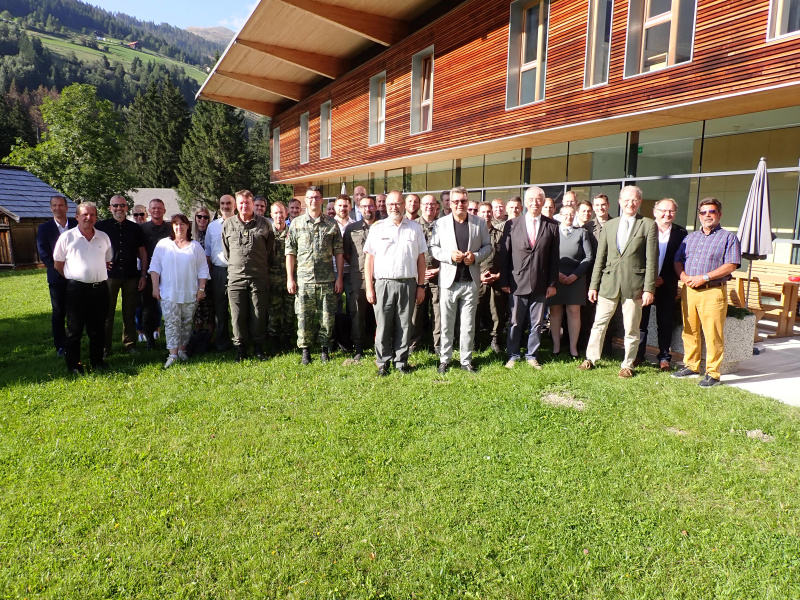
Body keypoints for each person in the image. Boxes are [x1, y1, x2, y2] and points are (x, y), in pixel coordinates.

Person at [578, 185, 658, 378]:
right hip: (609, 284)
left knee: (631, 327)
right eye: (626, 200)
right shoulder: (610, 225)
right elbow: (600, 258)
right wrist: (593, 285)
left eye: (634, 200)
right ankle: (591, 358)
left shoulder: (648, 224)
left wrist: (649, 289)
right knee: (599, 323)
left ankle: (627, 364)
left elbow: (651, 260)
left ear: (639, 202)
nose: (630, 203)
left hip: (634, 286)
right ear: (620, 202)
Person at [673, 197, 741, 387]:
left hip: (712, 291)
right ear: (699, 215)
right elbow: (677, 260)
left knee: (713, 333)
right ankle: (691, 365)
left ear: (719, 214)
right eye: (703, 212)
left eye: (711, 212)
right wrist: (684, 276)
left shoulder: (728, 237)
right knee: (689, 330)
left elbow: (731, 265)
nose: (707, 215)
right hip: (689, 290)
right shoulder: (690, 237)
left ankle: (713, 373)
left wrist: (705, 277)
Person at [364, 190, 428, 375]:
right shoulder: (377, 228)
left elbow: (421, 260)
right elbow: (369, 260)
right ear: (386, 205)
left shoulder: (415, 228)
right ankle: (382, 362)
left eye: (398, 203)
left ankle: (401, 362)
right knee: (382, 324)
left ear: (404, 205)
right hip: (383, 284)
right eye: (391, 204)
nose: (394, 207)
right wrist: (369, 287)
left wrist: (420, 285)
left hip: (408, 283)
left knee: (405, 325)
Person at [431, 186, 492, 373]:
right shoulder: (440, 223)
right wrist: (450, 256)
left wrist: (475, 256)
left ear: (467, 201)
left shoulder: (479, 223)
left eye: (463, 201)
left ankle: (466, 361)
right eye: (455, 201)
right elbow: (434, 248)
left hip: (471, 281)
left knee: (468, 325)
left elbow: (488, 247)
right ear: (449, 203)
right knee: (446, 323)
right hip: (449, 281)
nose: (459, 204)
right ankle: (445, 359)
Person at [499, 186, 560, 369]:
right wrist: (504, 281)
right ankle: (513, 354)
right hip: (516, 282)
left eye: (538, 199)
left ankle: (532, 355)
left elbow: (554, 257)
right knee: (515, 321)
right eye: (531, 199)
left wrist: (552, 283)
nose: (535, 203)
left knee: (537, 323)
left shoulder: (552, 225)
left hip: (541, 284)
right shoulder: (512, 224)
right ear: (526, 203)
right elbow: (505, 255)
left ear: (543, 202)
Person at [286, 186, 344, 365]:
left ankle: (325, 350)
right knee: (303, 317)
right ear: (306, 201)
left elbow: (339, 252)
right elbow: (290, 252)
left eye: (317, 197)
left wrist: (339, 277)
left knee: (327, 317)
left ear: (322, 200)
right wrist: (290, 278)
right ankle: (305, 351)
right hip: (304, 281)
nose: (313, 200)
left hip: (326, 280)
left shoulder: (332, 224)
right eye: (310, 197)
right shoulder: (296, 224)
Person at [53, 202, 113, 375]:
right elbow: (58, 264)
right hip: (76, 290)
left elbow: (107, 261)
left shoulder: (103, 237)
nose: (89, 218)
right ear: (77, 217)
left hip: (100, 289)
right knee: (74, 330)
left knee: (98, 329)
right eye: (85, 214)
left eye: (92, 215)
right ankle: (74, 365)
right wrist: (76, 278)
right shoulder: (67, 237)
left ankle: (97, 362)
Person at [631, 198, 687, 370]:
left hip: (667, 284)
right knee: (641, 322)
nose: (667, 214)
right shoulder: (643, 227)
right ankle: (638, 355)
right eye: (663, 210)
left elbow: (680, 260)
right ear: (655, 212)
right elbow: (636, 256)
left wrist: (665, 277)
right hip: (644, 284)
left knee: (665, 323)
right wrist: (650, 278)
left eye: (671, 211)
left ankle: (664, 357)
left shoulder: (681, 233)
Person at [149, 214, 209, 368]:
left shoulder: (195, 246)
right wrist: (155, 287)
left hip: (190, 292)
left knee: (186, 323)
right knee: (171, 323)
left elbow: (203, 269)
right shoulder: (163, 244)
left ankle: (182, 351)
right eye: (176, 224)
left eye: (182, 224)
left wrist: (201, 289)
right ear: (172, 226)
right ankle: (173, 354)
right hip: (169, 293)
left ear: (188, 226)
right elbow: (154, 267)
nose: (179, 227)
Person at [222, 189, 275, 362]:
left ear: (253, 204)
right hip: (236, 277)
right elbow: (227, 252)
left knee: (258, 313)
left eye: (248, 202)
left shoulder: (265, 224)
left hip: (258, 276)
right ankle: (240, 350)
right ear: (237, 205)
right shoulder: (228, 224)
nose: (245, 206)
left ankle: (259, 348)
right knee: (237, 315)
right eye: (241, 203)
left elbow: (270, 251)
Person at [96, 195, 147, 357]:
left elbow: (142, 253)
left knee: (129, 312)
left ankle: (130, 344)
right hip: (109, 276)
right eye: (115, 205)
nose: (119, 208)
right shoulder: (101, 227)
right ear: (110, 208)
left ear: (127, 208)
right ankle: (104, 347)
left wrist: (144, 274)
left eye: (122, 205)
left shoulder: (134, 228)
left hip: (131, 275)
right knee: (106, 313)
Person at [546, 205, 594, 358]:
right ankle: (556, 346)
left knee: (574, 312)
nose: (568, 217)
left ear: (575, 215)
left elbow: (588, 257)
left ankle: (573, 348)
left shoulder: (581, 233)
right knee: (555, 311)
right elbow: (546, 255)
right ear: (560, 215)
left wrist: (575, 275)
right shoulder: (552, 231)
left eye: (571, 214)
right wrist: (556, 274)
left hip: (576, 278)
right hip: (556, 277)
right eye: (565, 214)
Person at [36, 195, 77, 356]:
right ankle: (61, 345)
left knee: (76, 311)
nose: (57, 208)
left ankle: (74, 342)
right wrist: (61, 270)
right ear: (51, 207)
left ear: (67, 208)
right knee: (59, 312)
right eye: (54, 205)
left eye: (60, 205)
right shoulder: (44, 228)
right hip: (56, 277)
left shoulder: (75, 225)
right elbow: (44, 254)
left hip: (76, 275)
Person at [343, 194, 378, 361]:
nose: (367, 209)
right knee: (357, 312)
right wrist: (361, 266)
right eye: (364, 206)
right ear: (359, 209)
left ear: (376, 207)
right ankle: (358, 347)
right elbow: (347, 254)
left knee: (382, 313)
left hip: (381, 276)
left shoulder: (383, 226)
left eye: (370, 206)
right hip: (358, 277)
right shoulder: (351, 229)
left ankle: (381, 344)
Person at [411, 194, 442, 352]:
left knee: (438, 312)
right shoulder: (412, 225)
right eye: (426, 204)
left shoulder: (443, 226)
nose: (429, 207)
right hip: (418, 277)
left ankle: (438, 346)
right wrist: (420, 272)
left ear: (437, 207)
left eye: (432, 204)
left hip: (439, 276)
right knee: (416, 312)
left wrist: (438, 270)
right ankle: (413, 344)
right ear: (421, 206)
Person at [205, 195, 236, 351]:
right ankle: (222, 343)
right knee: (220, 309)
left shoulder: (240, 223)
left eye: (228, 203)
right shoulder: (212, 226)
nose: (225, 206)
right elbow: (208, 252)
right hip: (218, 271)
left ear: (234, 205)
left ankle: (240, 341)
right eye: (222, 203)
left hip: (236, 271)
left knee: (238, 309)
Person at [140, 198, 171, 349]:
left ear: (164, 211)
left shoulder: (171, 228)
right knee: (149, 308)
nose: (156, 210)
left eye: (159, 208)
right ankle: (149, 340)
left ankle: (172, 338)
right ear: (149, 211)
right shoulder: (142, 229)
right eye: (153, 208)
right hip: (150, 273)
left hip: (170, 273)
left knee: (171, 306)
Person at [476, 201, 507, 354]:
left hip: (496, 280)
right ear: (478, 214)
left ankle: (495, 340)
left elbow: (507, 258)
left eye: (489, 212)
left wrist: (499, 274)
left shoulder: (500, 235)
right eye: (483, 212)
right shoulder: (473, 235)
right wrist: (479, 276)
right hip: (477, 280)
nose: (486, 215)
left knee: (497, 312)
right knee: (474, 311)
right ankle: (474, 340)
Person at [267, 201, 295, 353]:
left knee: (289, 312)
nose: (278, 216)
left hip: (289, 279)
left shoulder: (292, 232)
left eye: (281, 213)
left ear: (286, 214)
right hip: (272, 280)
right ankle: (275, 342)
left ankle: (287, 341)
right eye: (275, 213)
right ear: (271, 215)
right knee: (274, 313)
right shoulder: (266, 233)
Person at [333, 194, 355, 351]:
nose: (343, 208)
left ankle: (350, 339)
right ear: (335, 208)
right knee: (336, 307)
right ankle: (337, 340)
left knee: (352, 308)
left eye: (345, 205)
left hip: (352, 272)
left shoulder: (355, 226)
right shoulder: (329, 224)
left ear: (350, 207)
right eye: (340, 205)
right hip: (333, 272)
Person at [191, 207, 215, 334]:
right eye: (199, 217)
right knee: (197, 308)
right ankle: (198, 336)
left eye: (205, 217)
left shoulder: (211, 234)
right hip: (194, 276)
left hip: (210, 276)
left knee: (209, 308)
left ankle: (210, 337)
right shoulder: (190, 235)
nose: (202, 220)